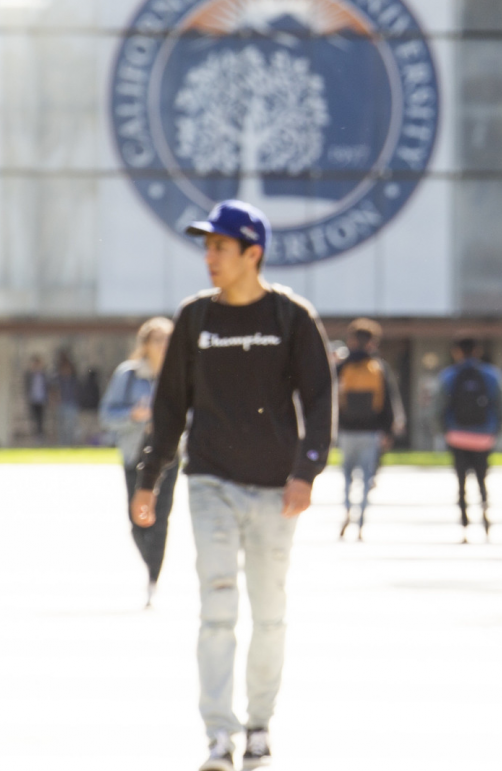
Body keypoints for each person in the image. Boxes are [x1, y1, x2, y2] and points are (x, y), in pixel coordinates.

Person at [129, 200, 335, 771]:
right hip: (210, 482)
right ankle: (218, 736)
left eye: (220, 246)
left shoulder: (290, 317)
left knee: (269, 613)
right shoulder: (195, 319)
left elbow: (321, 401)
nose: (209, 256)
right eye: (206, 246)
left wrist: (305, 472)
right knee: (217, 608)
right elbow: (169, 409)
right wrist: (149, 480)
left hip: (276, 490)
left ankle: (259, 727)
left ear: (253, 253)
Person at [103, 317, 176, 606]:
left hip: (169, 455)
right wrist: (133, 417)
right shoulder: (128, 375)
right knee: (137, 519)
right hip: (136, 453)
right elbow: (107, 415)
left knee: (161, 517)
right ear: (145, 344)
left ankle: (153, 576)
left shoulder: (179, 375)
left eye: (169, 339)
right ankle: (149, 564)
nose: (164, 345)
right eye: (158, 339)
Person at [336, 317, 404, 541]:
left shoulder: (342, 366)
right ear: (373, 342)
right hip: (371, 431)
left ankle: (347, 508)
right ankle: (361, 521)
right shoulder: (379, 367)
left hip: (346, 430)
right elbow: (389, 402)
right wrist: (389, 431)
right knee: (366, 477)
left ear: (351, 339)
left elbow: (330, 400)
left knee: (347, 475)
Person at [436, 338, 502, 543]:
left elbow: (436, 409)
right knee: (482, 480)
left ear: (457, 352)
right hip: (483, 437)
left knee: (461, 482)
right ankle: (485, 521)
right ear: (477, 351)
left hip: (457, 436)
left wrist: (446, 432)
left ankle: (464, 527)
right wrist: (494, 432)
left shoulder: (448, 375)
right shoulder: (492, 375)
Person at [55, 355, 80, 446]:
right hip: (62, 404)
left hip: (72, 404)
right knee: (61, 426)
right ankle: (63, 443)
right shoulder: (59, 380)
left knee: (71, 425)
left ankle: (70, 442)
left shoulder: (74, 380)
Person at [24, 356, 48, 441]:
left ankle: (40, 435)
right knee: (33, 417)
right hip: (33, 399)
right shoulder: (29, 375)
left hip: (41, 399)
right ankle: (35, 434)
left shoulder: (44, 375)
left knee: (41, 418)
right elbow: (26, 386)